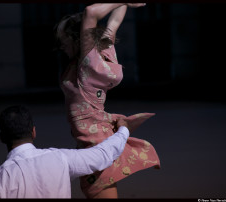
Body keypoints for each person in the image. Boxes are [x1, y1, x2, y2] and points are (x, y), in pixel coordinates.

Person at [54, 3, 161, 198]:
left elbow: (91, 12)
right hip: (90, 143)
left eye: (64, 40)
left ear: (77, 39)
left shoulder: (87, 64)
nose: (61, 46)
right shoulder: (97, 52)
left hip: (95, 146)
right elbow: (114, 21)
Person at [0, 105, 137, 198]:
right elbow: (102, 155)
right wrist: (123, 130)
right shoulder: (60, 159)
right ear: (34, 132)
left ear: (1, 138)